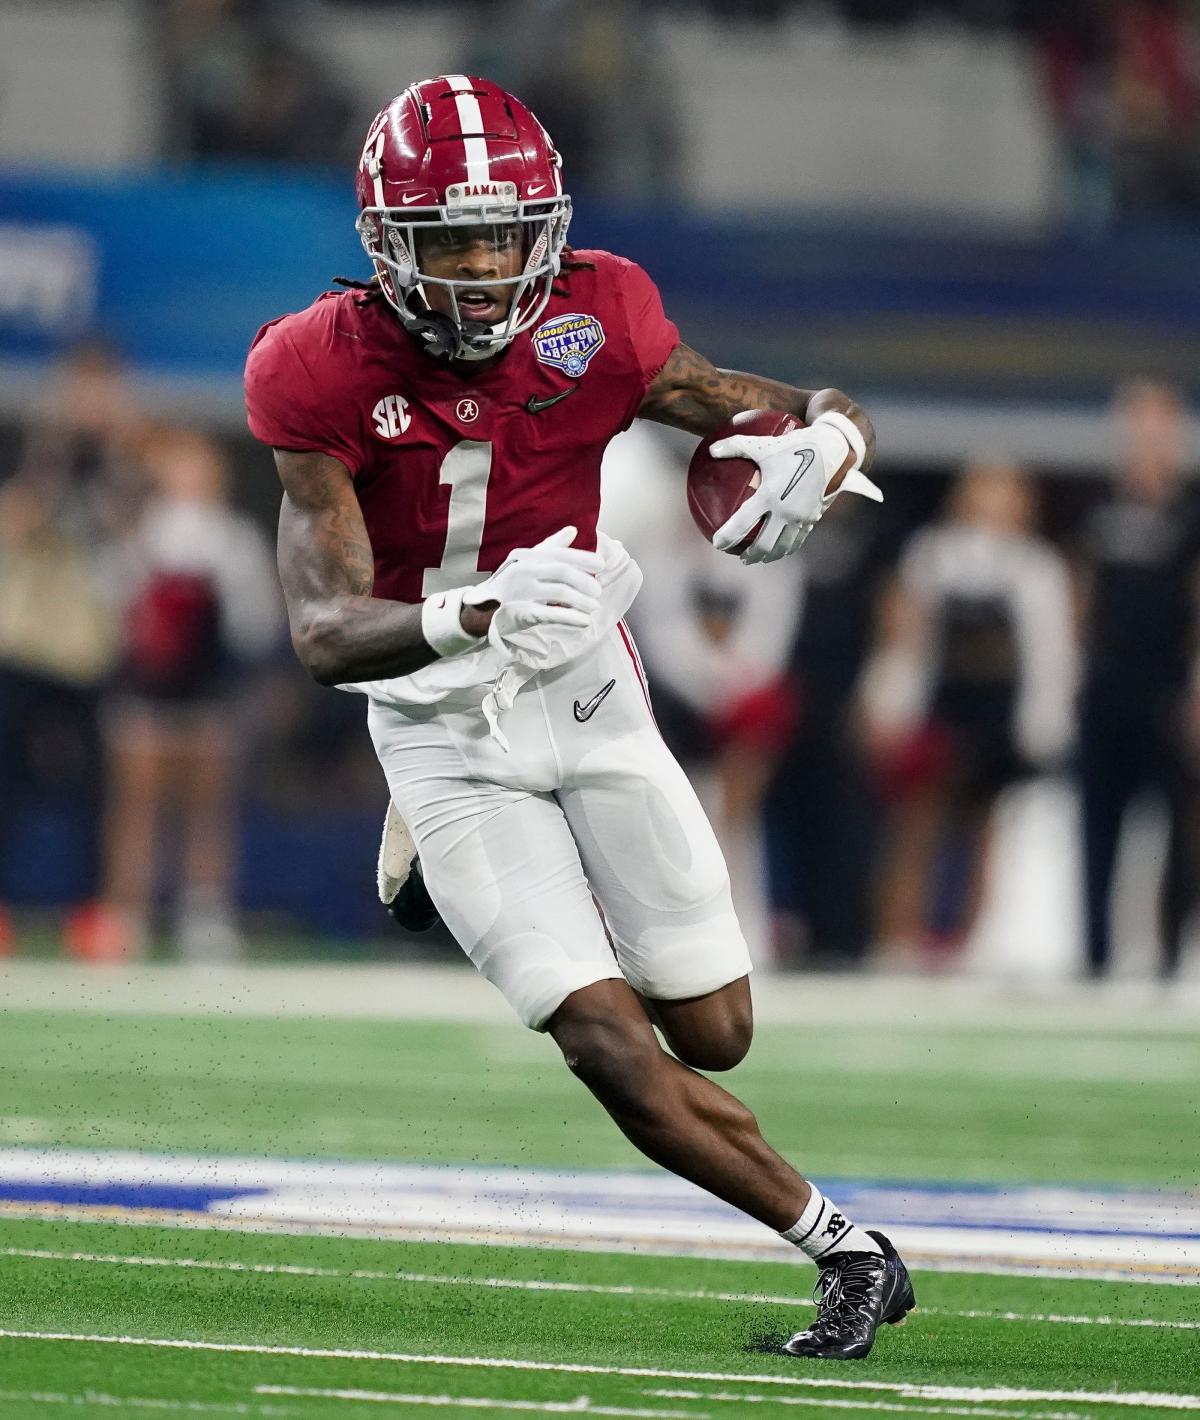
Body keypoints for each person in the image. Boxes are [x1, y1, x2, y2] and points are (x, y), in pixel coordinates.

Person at [244, 75, 911, 1361]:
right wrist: (474, 609)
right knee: (604, 1037)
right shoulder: (314, 365)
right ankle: (848, 1250)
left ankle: (456, 871)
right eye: (453, 243)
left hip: (589, 688)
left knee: (716, 1029)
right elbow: (323, 633)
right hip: (438, 717)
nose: (488, 270)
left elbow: (801, 402)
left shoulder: (602, 313)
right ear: (387, 245)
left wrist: (823, 456)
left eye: (506, 234)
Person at [860, 460, 1077, 967]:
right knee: (918, 825)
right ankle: (899, 940)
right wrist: (891, 702)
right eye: (984, 492)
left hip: (997, 710)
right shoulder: (934, 554)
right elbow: (909, 639)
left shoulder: (1037, 566)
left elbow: (1049, 652)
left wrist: (1043, 723)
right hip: (941, 704)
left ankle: (970, 943)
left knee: (985, 831)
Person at [1075, 379, 1200, 979]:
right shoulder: (1096, 505)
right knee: (1098, 826)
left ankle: (1171, 959)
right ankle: (1094, 957)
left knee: (1176, 829)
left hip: (1169, 692)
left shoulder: (1191, 511)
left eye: (1159, 427)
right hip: (1104, 690)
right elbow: (1080, 595)